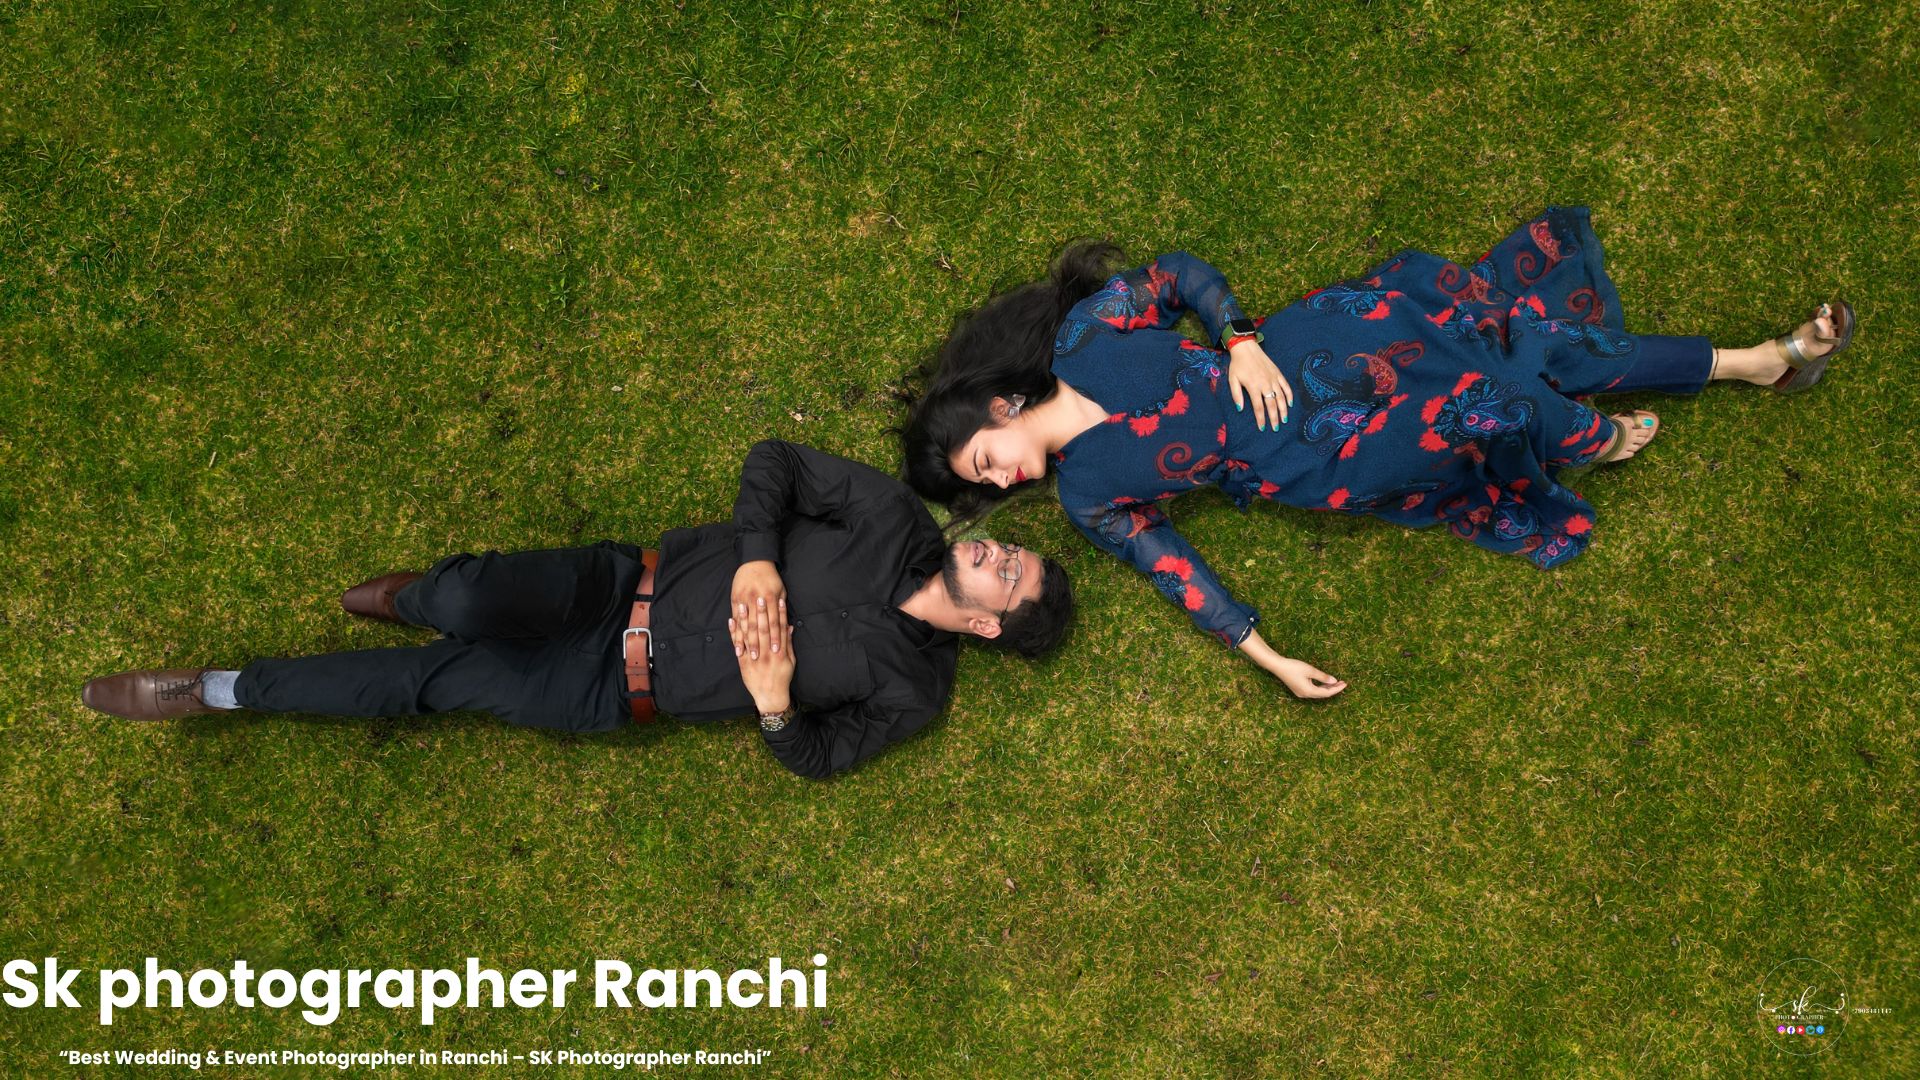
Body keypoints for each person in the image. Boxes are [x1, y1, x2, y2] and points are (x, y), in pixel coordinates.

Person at [900, 206, 1855, 699]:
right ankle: (1589, 439)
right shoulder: (1088, 497)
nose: (1001, 481)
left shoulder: (1086, 336)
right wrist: (1268, 656)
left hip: (1313, 345)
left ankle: (1753, 362)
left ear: (998, 405)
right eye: (985, 487)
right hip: (1325, 458)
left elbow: (1179, 275)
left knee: (1521, 342)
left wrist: (1239, 339)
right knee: (1496, 396)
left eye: (982, 460)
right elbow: (1174, 569)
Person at [81, 441, 1075, 779]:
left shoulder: (914, 693)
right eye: (1008, 547)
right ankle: (419, 594)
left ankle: (218, 689)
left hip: (605, 686)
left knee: (429, 684)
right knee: (464, 596)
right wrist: (755, 565)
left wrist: (775, 702)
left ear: (990, 624)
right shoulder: (894, 517)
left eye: (1008, 572)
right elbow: (774, 461)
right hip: (616, 584)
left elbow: (816, 758)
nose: (993, 549)